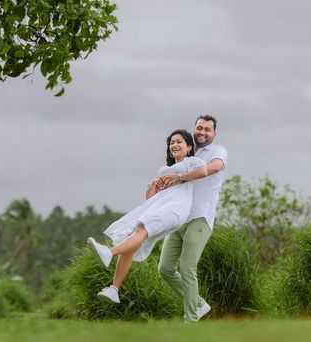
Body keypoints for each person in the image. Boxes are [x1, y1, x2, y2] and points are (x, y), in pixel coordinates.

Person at [87, 129, 208, 304]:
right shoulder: (163, 170)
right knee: (133, 237)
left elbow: (203, 172)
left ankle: (109, 253)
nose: (174, 145)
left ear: (189, 146)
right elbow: (151, 199)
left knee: (142, 229)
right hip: (159, 207)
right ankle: (114, 289)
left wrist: (179, 177)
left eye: (179, 142)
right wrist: (153, 186)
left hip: (176, 208)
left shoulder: (191, 162)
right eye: (171, 142)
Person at [158, 114, 228, 322]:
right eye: (199, 128)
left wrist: (181, 177)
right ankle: (198, 303)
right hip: (179, 218)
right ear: (194, 129)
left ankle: (191, 320)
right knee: (165, 269)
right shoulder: (186, 153)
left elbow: (213, 168)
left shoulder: (218, 151)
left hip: (200, 217)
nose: (202, 132)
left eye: (207, 129)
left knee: (187, 267)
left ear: (214, 133)